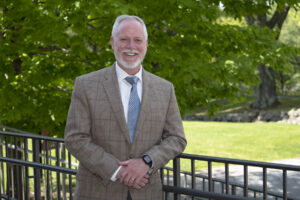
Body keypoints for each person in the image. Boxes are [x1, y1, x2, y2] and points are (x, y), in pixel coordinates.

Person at [64, 14, 186, 200]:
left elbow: (177, 138)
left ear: (146, 44)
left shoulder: (165, 89)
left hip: (147, 192)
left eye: (137, 40)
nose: (131, 46)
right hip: (97, 192)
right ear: (113, 42)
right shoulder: (86, 85)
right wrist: (118, 171)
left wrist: (147, 162)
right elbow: (75, 138)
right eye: (124, 39)